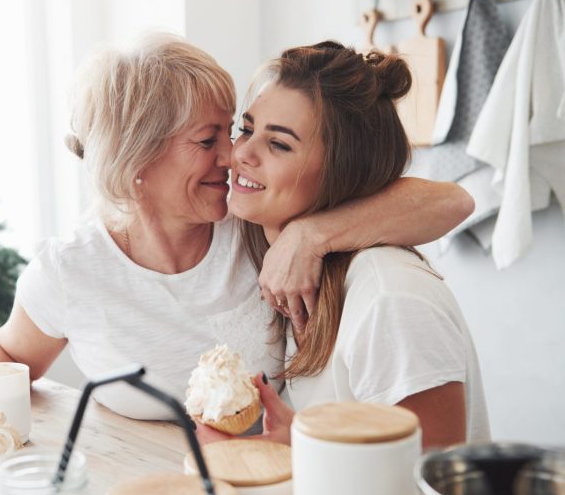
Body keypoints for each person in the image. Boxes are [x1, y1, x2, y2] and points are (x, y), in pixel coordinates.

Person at [0, 33, 474, 440]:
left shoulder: (253, 227)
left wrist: (310, 234)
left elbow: (451, 199)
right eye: (211, 140)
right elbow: (7, 352)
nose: (232, 156)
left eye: (235, 132)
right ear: (138, 162)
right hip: (151, 484)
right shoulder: (73, 268)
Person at [202, 41, 489, 449]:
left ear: (343, 172)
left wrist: (311, 233)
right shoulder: (295, 274)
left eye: (279, 144)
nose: (241, 153)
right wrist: (291, 444)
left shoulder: (390, 301)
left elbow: (424, 493)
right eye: (246, 129)